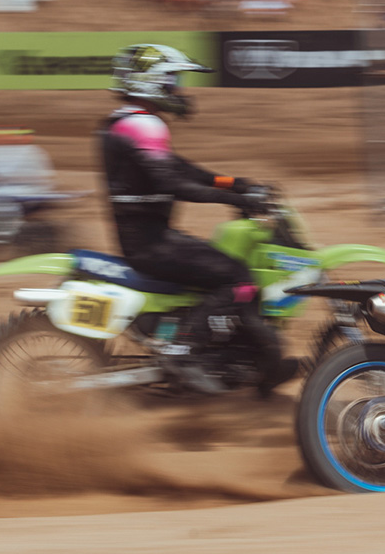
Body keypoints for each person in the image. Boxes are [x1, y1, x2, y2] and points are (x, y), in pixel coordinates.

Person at [100, 43, 293, 394]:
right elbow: (173, 183)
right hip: (152, 244)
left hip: (148, 238)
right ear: (150, 81)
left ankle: (239, 361)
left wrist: (236, 184)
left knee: (222, 268)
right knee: (238, 279)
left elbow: (180, 168)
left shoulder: (126, 123)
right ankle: (182, 350)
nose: (177, 89)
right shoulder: (143, 126)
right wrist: (235, 198)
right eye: (171, 80)